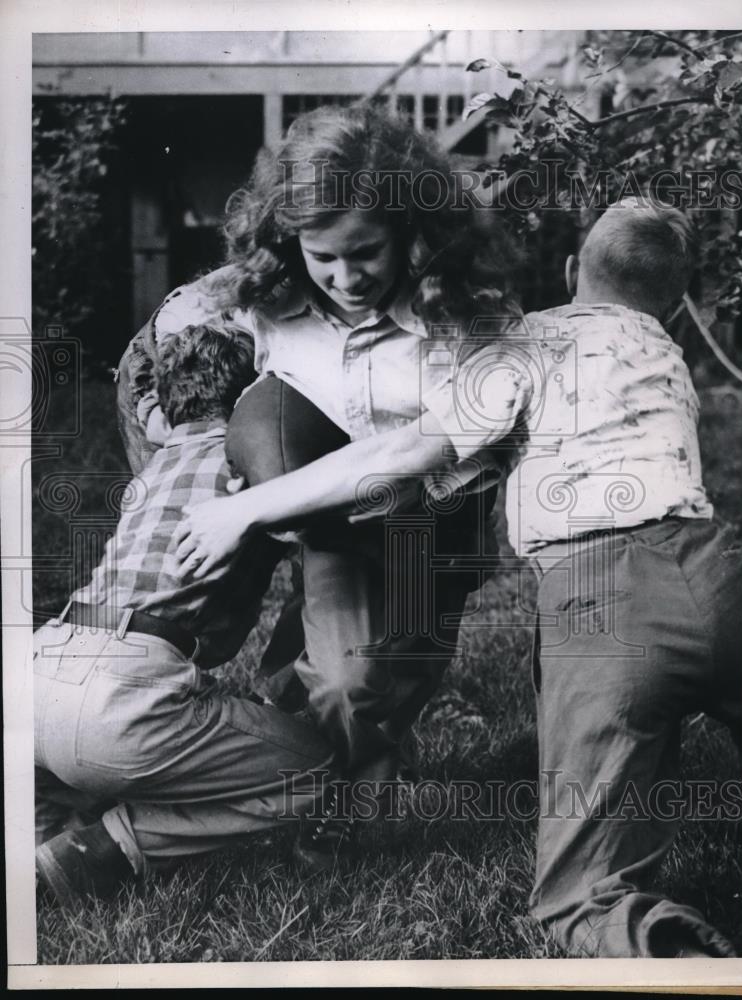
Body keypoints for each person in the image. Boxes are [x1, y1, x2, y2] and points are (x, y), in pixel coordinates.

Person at [154, 104, 527, 864]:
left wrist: (254, 506)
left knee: (404, 674)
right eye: (322, 256)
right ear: (288, 240)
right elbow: (177, 319)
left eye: (366, 252)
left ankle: (349, 752)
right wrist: (167, 418)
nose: (346, 277)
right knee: (349, 677)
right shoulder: (269, 295)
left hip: (435, 522)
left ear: (411, 231)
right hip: (331, 522)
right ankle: (330, 786)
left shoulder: (465, 315)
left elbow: (421, 453)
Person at [506, 202, 742, 957]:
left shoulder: (530, 334)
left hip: (600, 595)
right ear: (676, 306)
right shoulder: (662, 350)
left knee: (572, 900)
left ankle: (662, 950)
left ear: (569, 271)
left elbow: (436, 449)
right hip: (721, 571)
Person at [35, 324, 337, 907]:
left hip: (36, 669)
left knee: (48, 820)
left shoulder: (151, 472)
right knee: (315, 774)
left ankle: (52, 850)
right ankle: (115, 845)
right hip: (120, 696)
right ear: (253, 396)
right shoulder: (251, 464)